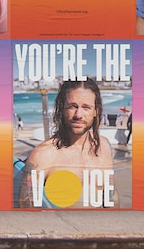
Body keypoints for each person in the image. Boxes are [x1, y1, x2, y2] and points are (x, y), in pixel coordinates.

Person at [17, 78, 117, 208]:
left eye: (86, 107)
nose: (78, 115)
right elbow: (26, 212)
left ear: (95, 111)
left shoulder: (104, 146)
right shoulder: (43, 155)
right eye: (72, 106)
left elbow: (111, 196)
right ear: (62, 108)